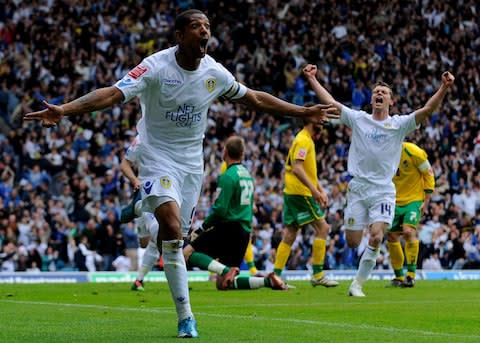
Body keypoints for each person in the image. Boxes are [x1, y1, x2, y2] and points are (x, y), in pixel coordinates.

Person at [24, 9, 338, 338]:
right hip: (156, 155)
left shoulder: (214, 73)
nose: (204, 31)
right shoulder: (156, 67)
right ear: (179, 35)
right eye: (195, 26)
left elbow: (255, 98)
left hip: (191, 163)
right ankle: (186, 316)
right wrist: (65, 109)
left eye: (207, 26)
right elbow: (113, 93)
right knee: (171, 225)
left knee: (174, 242)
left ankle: (143, 204)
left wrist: (303, 110)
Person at [302, 63, 454, 297]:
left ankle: (357, 285)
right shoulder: (358, 119)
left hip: (383, 190)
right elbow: (331, 103)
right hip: (358, 188)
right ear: (371, 100)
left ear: (391, 101)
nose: (379, 94)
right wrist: (312, 79)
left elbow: (427, 111)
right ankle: (360, 262)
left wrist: (444, 87)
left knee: (376, 236)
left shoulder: (399, 125)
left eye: (384, 92)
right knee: (353, 242)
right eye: (376, 92)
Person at [183, 136, 287, 291]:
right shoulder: (247, 174)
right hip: (244, 232)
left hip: (229, 229)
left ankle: (226, 270)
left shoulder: (228, 176)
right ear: (242, 154)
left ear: (225, 152)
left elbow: (220, 210)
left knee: (187, 253)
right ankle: (268, 282)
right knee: (223, 284)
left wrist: (201, 229)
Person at [272, 112, 339, 288]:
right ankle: (317, 274)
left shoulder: (305, 139)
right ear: (311, 119)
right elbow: (297, 168)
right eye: (321, 118)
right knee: (323, 228)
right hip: (300, 193)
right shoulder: (303, 140)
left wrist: (320, 190)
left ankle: (276, 276)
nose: (323, 121)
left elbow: (309, 171)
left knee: (290, 234)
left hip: (293, 191)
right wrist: (314, 192)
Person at [387, 141, 435, 288]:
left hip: (413, 200)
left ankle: (411, 275)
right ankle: (399, 276)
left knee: (408, 231)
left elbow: (428, 173)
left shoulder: (413, 151)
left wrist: (426, 200)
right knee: (391, 236)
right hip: (393, 199)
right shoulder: (382, 152)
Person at [120, 135, 160, 292]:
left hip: (163, 193)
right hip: (144, 191)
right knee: (145, 242)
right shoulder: (142, 137)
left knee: (159, 235)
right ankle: (136, 208)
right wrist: (135, 180)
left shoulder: (172, 133)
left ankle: (139, 280)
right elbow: (124, 165)